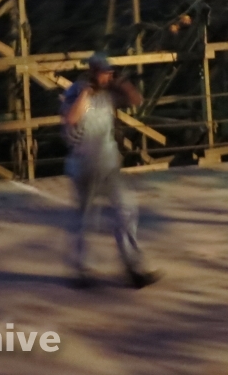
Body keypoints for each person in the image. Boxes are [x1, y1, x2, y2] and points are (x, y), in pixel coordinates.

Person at [60, 52, 161, 289]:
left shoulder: (109, 94)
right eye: (103, 73)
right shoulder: (75, 91)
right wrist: (85, 92)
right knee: (85, 220)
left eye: (109, 73)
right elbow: (71, 119)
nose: (107, 77)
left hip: (109, 164)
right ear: (92, 72)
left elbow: (136, 100)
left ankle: (133, 267)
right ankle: (80, 270)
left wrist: (120, 82)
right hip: (83, 166)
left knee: (126, 211)